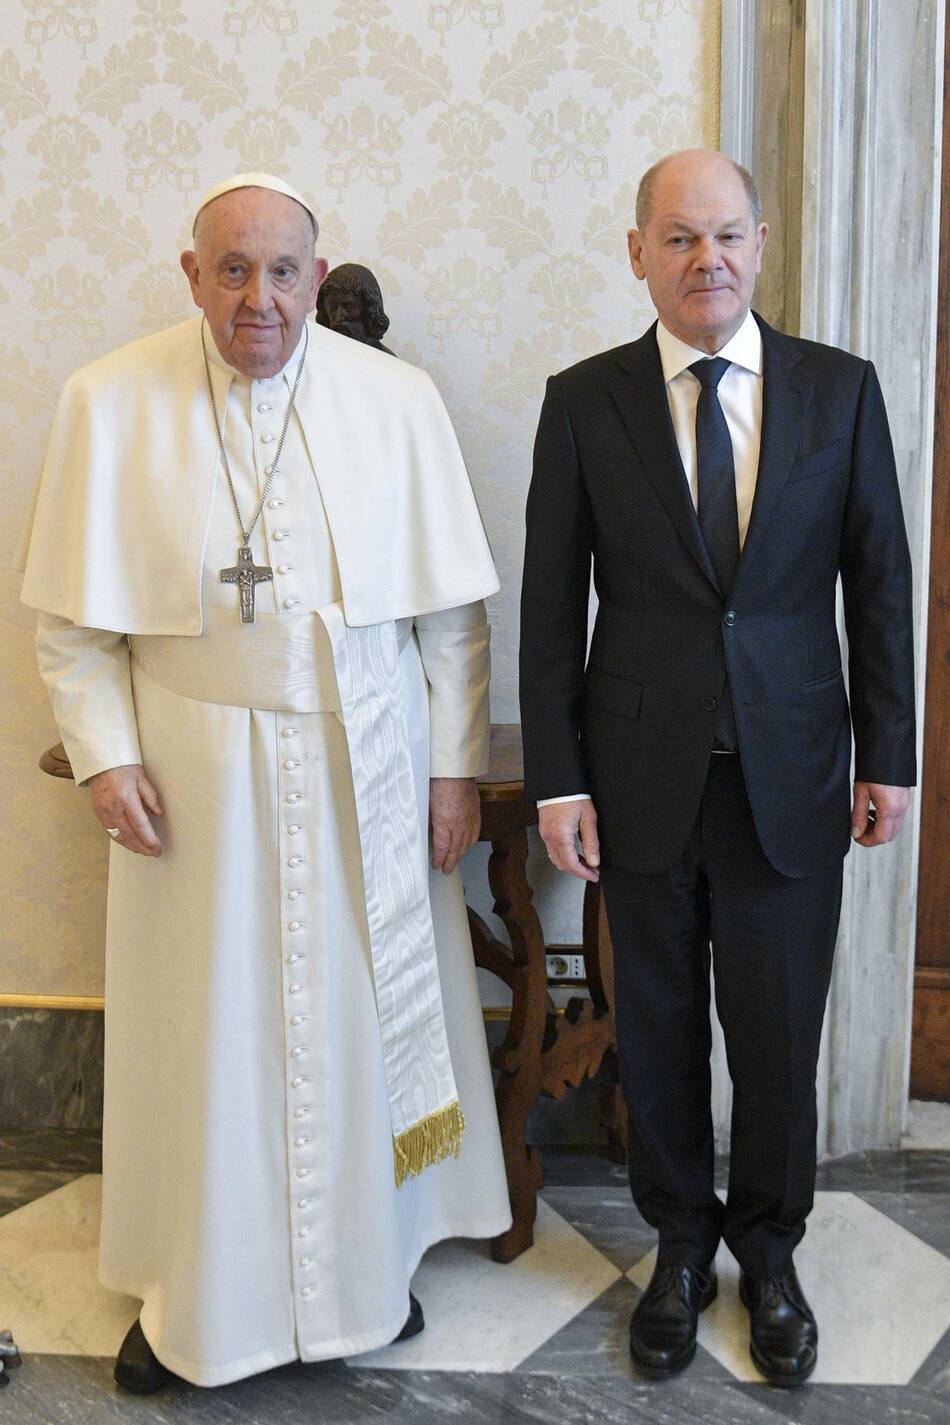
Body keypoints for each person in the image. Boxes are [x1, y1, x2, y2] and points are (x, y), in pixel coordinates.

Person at [18, 171, 511, 1392]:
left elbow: (450, 619)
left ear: (314, 270)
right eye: (230, 269)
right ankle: (195, 1296)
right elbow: (73, 631)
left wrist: (453, 771)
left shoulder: (394, 402)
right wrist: (106, 754)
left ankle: (367, 1276)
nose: (259, 298)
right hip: (196, 781)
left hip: (369, 770)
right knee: (206, 1040)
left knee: (358, 1022)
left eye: (282, 269)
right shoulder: (109, 401)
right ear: (191, 275)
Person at [519, 149, 915, 1387]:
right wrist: (556, 778)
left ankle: (771, 1254)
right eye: (681, 238)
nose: (709, 261)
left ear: (758, 246)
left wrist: (889, 752)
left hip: (793, 772)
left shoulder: (837, 393)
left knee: (777, 1033)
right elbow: (547, 607)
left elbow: (879, 585)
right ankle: (678, 1251)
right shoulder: (583, 401)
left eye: (729, 236)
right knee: (661, 1029)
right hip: (636, 782)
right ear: (635, 251)